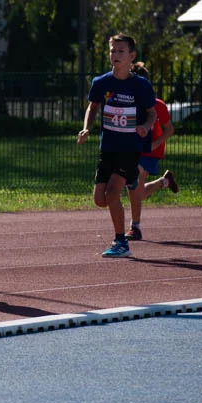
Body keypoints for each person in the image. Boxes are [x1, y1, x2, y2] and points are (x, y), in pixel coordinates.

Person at [76, 34, 157, 258]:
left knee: (112, 194)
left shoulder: (141, 85)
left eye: (121, 51)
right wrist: (86, 128)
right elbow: (92, 107)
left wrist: (145, 126)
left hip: (129, 148)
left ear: (132, 56)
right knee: (99, 199)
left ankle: (121, 242)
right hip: (108, 147)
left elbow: (152, 114)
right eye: (113, 51)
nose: (116, 55)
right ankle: (132, 178)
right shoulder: (101, 83)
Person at [126, 62, 179, 241]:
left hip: (150, 152)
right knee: (138, 193)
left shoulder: (158, 105)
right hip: (132, 150)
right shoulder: (127, 104)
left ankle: (135, 227)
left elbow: (169, 129)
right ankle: (165, 181)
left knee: (134, 180)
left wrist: (155, 144)